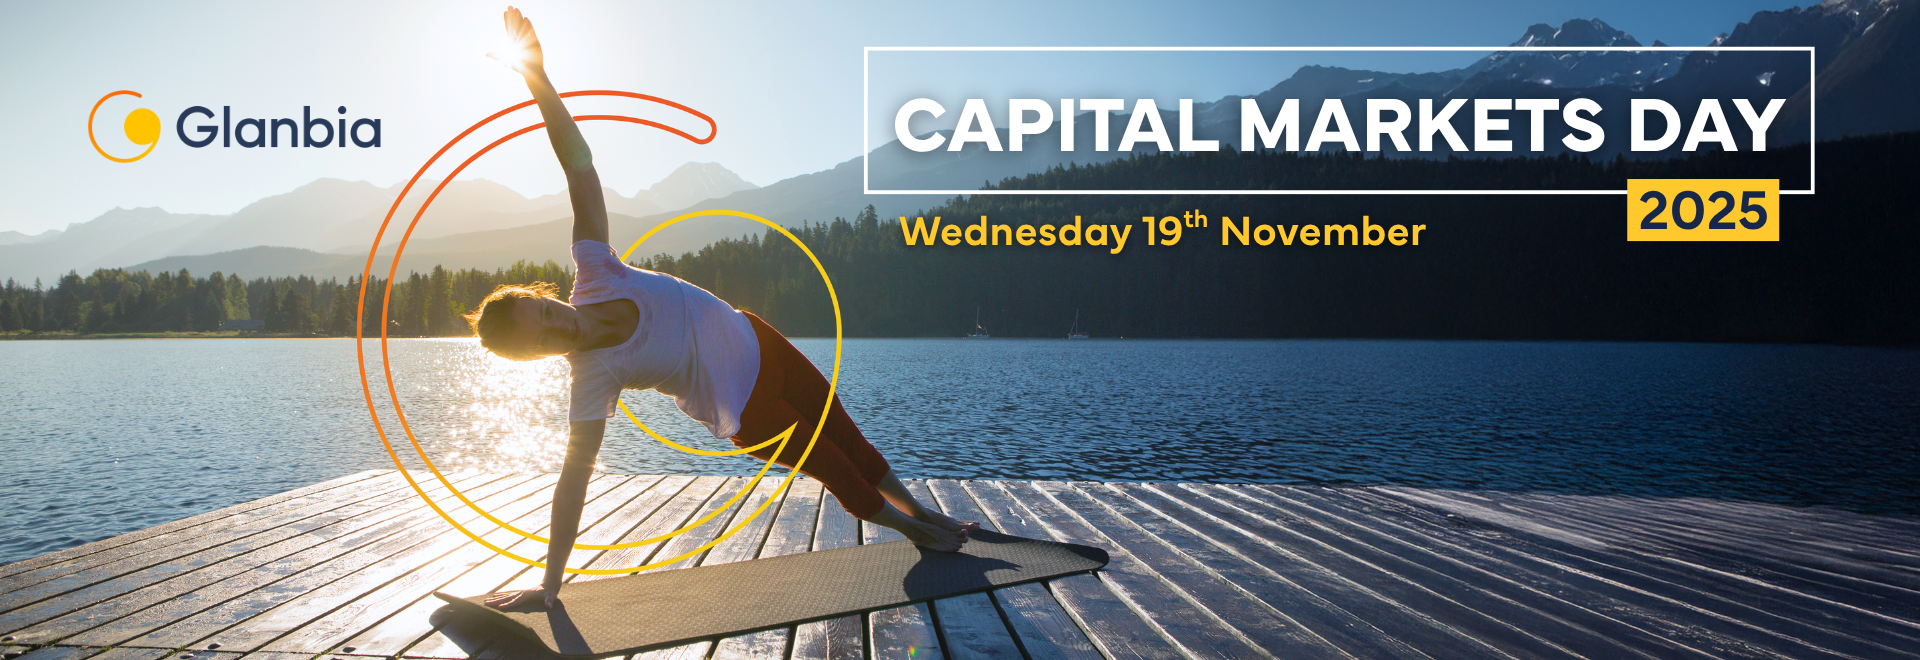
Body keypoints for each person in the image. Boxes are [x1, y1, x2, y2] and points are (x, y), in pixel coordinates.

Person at [473, 8, 976, 611]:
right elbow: (572, 482)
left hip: (761, 341)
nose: (559, 325)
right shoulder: (593, 377)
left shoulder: (596, 270)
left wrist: (537, 77)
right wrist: (550, 585)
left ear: (543, 295)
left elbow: (578, 165)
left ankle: (922, 514)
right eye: (542, 338)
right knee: (835, 469)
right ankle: (916, 532)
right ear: (536, 356)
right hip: (746, 407)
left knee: (848, 437)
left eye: (545, 310)